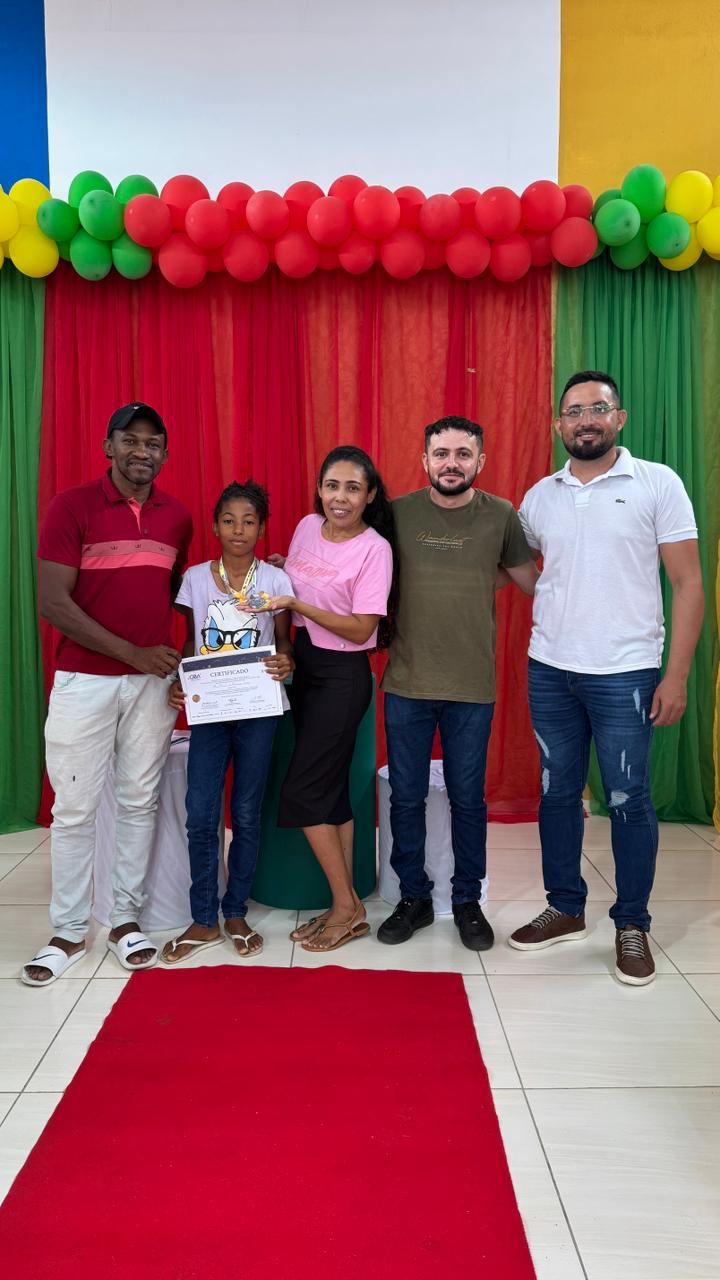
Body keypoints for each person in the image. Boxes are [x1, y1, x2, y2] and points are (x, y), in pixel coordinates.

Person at [510, 371, 704, 986]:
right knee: (556, 793)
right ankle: (565, 907)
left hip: (627, 673)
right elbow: (521, 564)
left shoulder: (657, 483)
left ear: (619, 417)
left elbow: (688, 584)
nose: (585, 420)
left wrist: (676, 676)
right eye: (573, 411)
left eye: (598, 408)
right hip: (550, 669)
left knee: (627, 799)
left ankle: (632, 923)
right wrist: (550, 597)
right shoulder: (541, 495)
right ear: (558, 425)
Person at [22, 403, 193, 986]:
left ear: (164, 453)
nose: (142, 451)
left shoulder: (176, 517)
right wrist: (133, 654)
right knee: (73, 810)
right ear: (109, 446)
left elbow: (177, 595)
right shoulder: (70, 507)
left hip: (152, 686)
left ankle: (125, 923)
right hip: (84, 682)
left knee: (138, 802)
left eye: (153, 443)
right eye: (130, 440)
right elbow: (53, 602)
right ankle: (68, 932)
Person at [377, 415, 538, 951]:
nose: (452, 463)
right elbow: (353, 561)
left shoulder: (501, 515)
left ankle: (468, 899)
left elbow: (531, 581)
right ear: (424, 460)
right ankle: (414, 898)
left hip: (471, 687)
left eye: (463, 454)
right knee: (406, 798)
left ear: (480, 461)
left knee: (468, 800)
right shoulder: (397, 514)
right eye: (441, 453)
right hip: (407, 681)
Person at [259, 446, 394, 952]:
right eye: (332, 486)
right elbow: (302, 581)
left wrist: (298, 601)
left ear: (370, 495)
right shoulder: (305, 527)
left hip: (342, 676)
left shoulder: (375, 549)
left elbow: (362, 629)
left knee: (304, 791)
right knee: (331, 793)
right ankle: (350, 908)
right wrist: (283, 572)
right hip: (304, 668)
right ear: (319, 489)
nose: (340, 497)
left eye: (353, 488)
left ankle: (344, 906)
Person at [161, 480, 295, 964]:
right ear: (215, 526)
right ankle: (204, 918)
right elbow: (191, 643)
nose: (239, 530)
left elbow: (284, 642)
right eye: (229, 520)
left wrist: (287, 662)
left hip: (259, 710)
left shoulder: (276, 581)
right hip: (210, 712)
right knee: (201, 812)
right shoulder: (195, 579)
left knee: (246, 811)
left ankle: (235, 910)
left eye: (249, 521)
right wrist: (179, 679)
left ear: (262, 528)